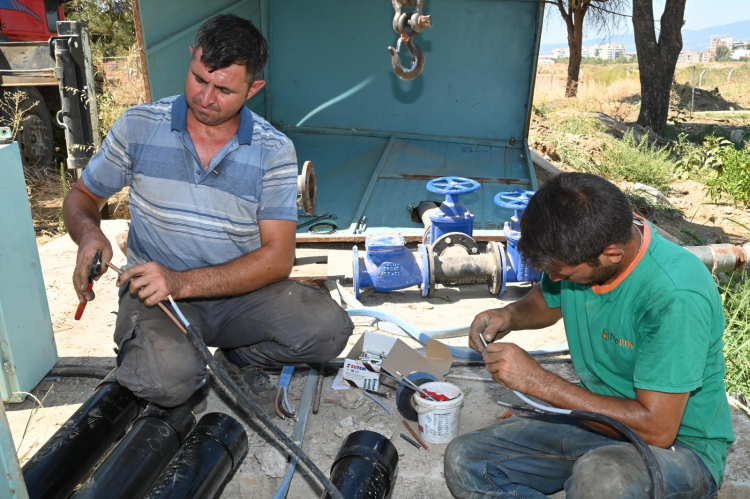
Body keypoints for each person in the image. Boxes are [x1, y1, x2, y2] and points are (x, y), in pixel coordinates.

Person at [62, 14, 353, 410]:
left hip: (238, 293)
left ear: (254, 88)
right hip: (156, 296)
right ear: (192, 58)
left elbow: (278, 257)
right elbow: (82, 197)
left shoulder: (274, 150)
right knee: (170, 381)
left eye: (224, 89)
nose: (205, 98)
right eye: (199, 78)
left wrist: (182, 282)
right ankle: (170, 357)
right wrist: (90, 235)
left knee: (328, 330)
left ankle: (238, 358)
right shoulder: (139, 127)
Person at [444, 173, 734, 498]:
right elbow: (549, 298)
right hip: (597, 423)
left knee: (602, 480)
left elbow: (658, 429)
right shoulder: (587, 243)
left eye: (564, 273)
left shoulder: (674, 294)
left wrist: (539, 383)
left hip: (679, 448)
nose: (554, 279)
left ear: (612, 254)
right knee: (467, 460)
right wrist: (509, 315)